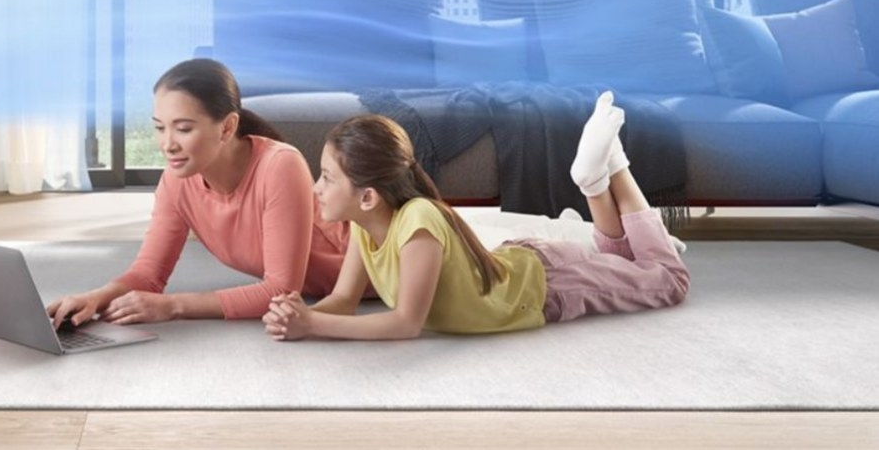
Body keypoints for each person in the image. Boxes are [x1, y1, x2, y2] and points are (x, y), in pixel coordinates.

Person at [262, 92, 690, 341]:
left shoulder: (418, 223)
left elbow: (407, 323)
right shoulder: (363, 226)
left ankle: (615, 166)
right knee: (622, 260)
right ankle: (596, 179)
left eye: (326, 177)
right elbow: (343, 301)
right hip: (525, 263)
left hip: (548, 286)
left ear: (368, 196)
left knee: (668, 280)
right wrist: (297, 312)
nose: (316, 187)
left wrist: (313, 325)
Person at [47, 58, 353, 327]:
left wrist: (173, 306)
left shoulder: (279, 165)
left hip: (378, 272)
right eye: (159, 128)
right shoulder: (176, 181)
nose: (167, 144)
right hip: (320, 288)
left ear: (227, 127)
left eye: (183, 129)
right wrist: (93, 299)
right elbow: (148, 275)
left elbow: (281, 290)